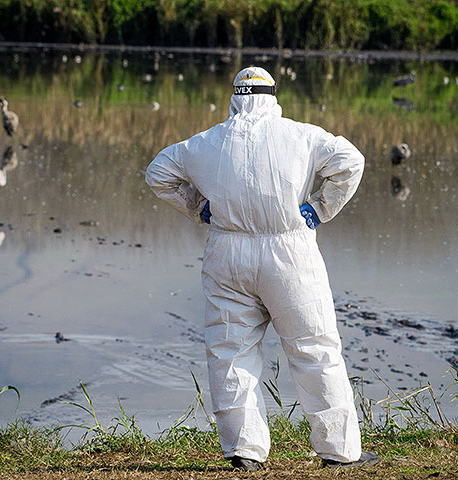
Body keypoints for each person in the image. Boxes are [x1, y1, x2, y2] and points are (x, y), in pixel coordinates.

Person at [145, 66, 378, 471]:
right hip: (290, 253)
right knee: (314, 348)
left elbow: (158, 173)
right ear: (273, 96)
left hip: (228, 253)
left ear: (234, 96)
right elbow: (350, 161)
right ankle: (339, 452)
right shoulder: (302, 135)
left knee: (230, 351)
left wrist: (198, 207)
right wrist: (320, 208)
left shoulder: (205, 142)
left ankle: (243, 452)